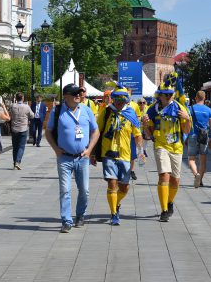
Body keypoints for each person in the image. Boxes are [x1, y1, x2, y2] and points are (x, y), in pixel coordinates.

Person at [46, 84, 99, 233]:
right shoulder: (57, 111)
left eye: (79, 93)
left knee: (84, 190)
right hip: (64, 158)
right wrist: (56, 149)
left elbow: (96, 131)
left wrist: (89, 150)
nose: (78, 95)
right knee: (65, 190)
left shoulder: (87, 110)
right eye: (75, 93)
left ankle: (80, 215)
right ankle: (66, 220)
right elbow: (48, 132)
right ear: (66, 96)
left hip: (82, 157)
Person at [93, 87, 143, 225]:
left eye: (123, 99)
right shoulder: (106, 112)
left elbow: (137, 134)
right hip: (108, 153)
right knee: (112, 183)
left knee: (125, 187)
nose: (120, 102)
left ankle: (117, 203)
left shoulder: (130, 113)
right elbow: (97, 132)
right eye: (118, 99)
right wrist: (92, 152)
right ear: (113, 99)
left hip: (125, 154)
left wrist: (140, 151)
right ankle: (114, 214)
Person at [145, 81, 191, 222]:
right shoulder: (152, 110)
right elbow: (148, 134)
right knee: (164, 175)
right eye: (166, 95)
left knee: (175, 180)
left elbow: (187, 131)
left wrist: (187, 118)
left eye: (171, 94)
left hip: (176, 146)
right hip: (161, 145)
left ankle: (170, 202)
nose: (170, 97)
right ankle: (164, 209)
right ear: (160, 96)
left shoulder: (179, 108)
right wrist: (145, 124)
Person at [188, 91, 211, 188]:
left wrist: (186, 136)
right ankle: (201, 180)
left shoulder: (191, 108)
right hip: (204, 136)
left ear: (196, 98)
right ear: (204, 98)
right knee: (203, 161)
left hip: (193, 135)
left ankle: (196, 175)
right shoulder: (209, 110)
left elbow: (188, 123)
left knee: (191, 159)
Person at [10, 92, 34, 170]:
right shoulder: (26, 107)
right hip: (23, 128)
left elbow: (10, 114)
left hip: (14, 129)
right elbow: (32, 115)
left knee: (15, 146)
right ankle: (17, 161)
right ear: (22, 98)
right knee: (21, 146)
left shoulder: (12, 106)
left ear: (16, 98)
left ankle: (14, 163)